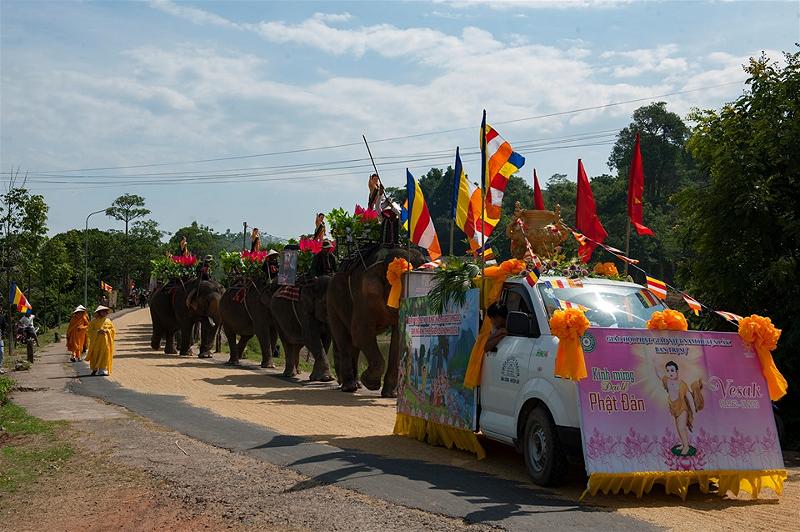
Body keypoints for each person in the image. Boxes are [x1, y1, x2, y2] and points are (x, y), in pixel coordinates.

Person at [654, 360, 703, 455]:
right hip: (674, 408)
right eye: (668, 371)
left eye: (672, 370)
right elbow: (659, 374)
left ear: (677, 371)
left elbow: (689, 398)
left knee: (681, 428)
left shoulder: (682, 384)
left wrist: (693, 411)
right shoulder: (666, 381)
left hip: (682, 409)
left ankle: (686, 446)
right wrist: (655, 364)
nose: (670, 373)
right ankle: (684, 444)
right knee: (678, 427)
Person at [86, 306, 116, 377]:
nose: (105, 313)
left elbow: (113, 330)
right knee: (96, 355)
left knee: (105, 355)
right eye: (103, 311)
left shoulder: (108, 321)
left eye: (106, 311)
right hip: (97, 343)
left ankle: (102, 370)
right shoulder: (94, 321)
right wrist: (98, 331)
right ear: (99, 312)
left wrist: (108, 331)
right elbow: (89, 331)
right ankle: (95, 368)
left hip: (106, 343)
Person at [0, 309, 6, 374]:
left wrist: (3, 335)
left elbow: (4, 327)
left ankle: (0, 367)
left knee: (1, 352)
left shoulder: (2, 317)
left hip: (0, 335)